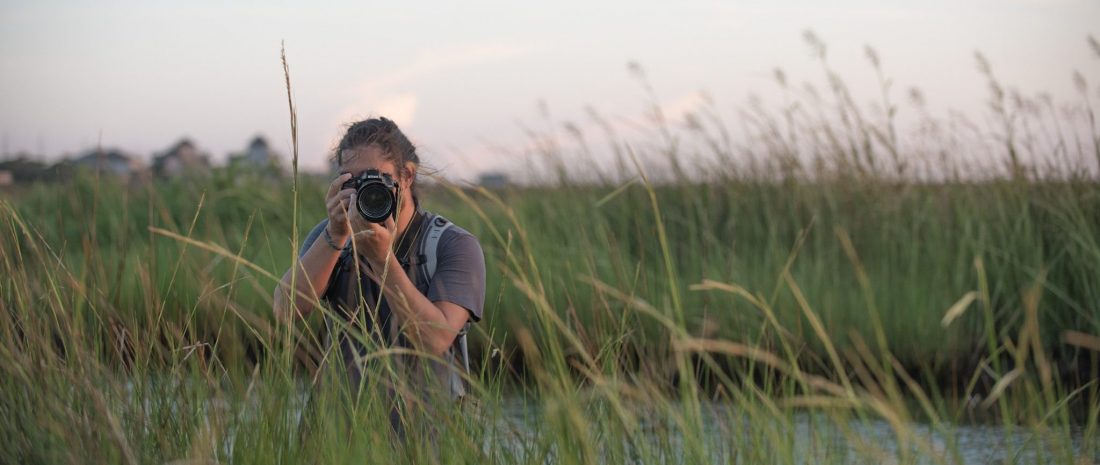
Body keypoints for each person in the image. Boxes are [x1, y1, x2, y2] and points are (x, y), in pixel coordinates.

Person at [272, 117, 486, 419]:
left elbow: (435, 339)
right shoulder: (332, 237)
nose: (366, 190)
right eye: (353, 179)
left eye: (378, 178)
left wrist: (382, 262)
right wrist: (334, 235)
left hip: (425, 438)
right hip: (336, 434)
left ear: (407, 176)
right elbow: (285, 310)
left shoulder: (452, 245)